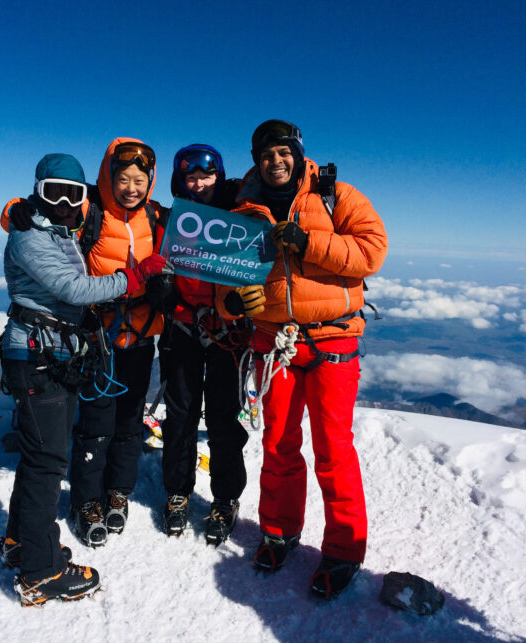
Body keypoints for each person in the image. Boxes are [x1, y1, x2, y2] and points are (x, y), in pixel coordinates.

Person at [215, 120, 387, 599]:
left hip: (332, 341)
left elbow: (372, 253)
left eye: (283, 152)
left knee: (333, 450)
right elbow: (226, 282)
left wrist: (310, 243)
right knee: (279, 443)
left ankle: (343, 550)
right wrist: (231, 304)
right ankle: (279, 531)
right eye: (267, 154)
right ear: (256, 160)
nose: (276, 161)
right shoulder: (242, 212)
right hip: (274, 344)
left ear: (298, 154)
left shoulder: (337, 195)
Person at [0, 152, 166, 606]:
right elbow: (75, 289)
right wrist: (134, 278)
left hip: (50, 353)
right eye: (54, 193)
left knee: (40, 458)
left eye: (74, 194)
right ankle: (41, 571)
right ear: (38, 191)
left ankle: (20, 543)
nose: (65, 203)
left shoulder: (55, 230)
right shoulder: (31, 237)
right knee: (47, 463)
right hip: (36, 357)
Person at [153, 144, 250, 544]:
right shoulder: (172, 219)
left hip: (228, 333)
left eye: (206, 175)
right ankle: (178, 492)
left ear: (219, 175)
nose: (199, 183)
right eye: (191, 176)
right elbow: (160, 262)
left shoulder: (241, 216)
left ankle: (225, 498)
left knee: (224, 419)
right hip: (183, 329)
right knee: (181, 415)